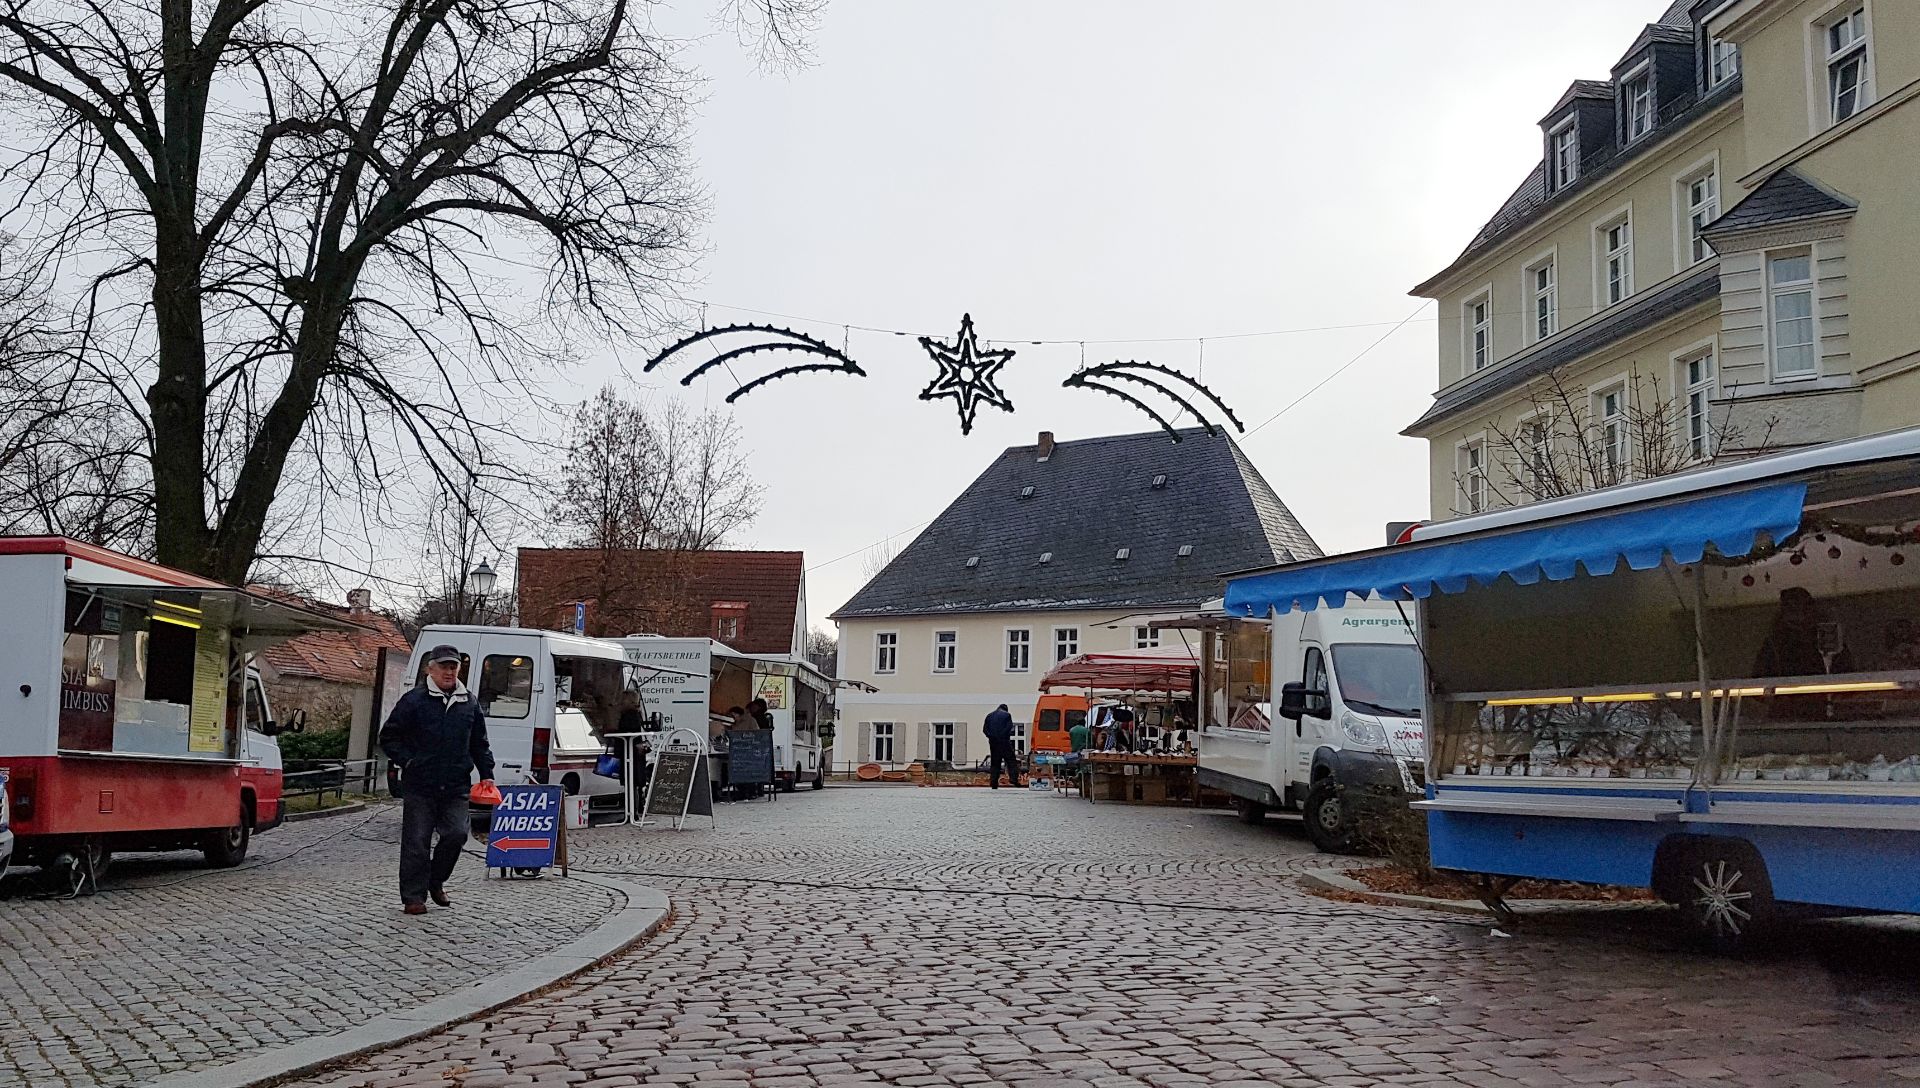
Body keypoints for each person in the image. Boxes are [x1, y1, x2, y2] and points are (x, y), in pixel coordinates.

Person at [379, 645, 495, 916]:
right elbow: (389, 737)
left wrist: (487, 773)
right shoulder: (414, 700)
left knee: (456, 835)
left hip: (456, 783)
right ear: (430, 669)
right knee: (417, 841)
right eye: (443, 666)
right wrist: (408, 761)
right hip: (420, 784)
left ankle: (435, 880)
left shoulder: (470, 702)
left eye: (453, 666)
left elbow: (479, 742)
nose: (449, 671)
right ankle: (413, 897)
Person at [983, 703, 1022, 788]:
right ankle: (1013, 779)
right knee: (1011, 760)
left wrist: (991, 737)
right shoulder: (1007, 715)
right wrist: (1002, 736)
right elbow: (1009, 727)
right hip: (1004, 741)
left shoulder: (989, 716)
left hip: (993, 742)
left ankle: (993, 783)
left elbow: (985, 729)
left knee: (995, 763)